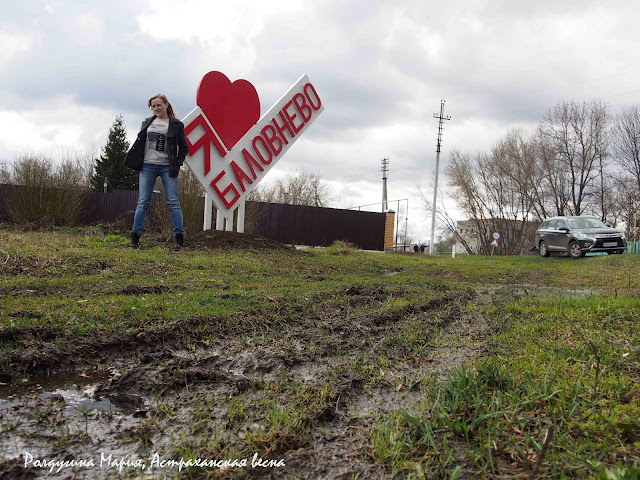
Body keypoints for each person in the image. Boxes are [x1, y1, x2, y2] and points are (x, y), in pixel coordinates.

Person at [124, 93, 188, 250]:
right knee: (143, 201)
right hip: (148, 165)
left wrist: (178, 163)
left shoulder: (176, 124)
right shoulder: (147, 123)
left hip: (167, 166)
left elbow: (184, 147)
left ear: (166, 104)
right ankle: (135, 239)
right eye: (153, 106)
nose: (156, 108)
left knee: (172, 201)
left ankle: (179, 241)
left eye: (159, 105)